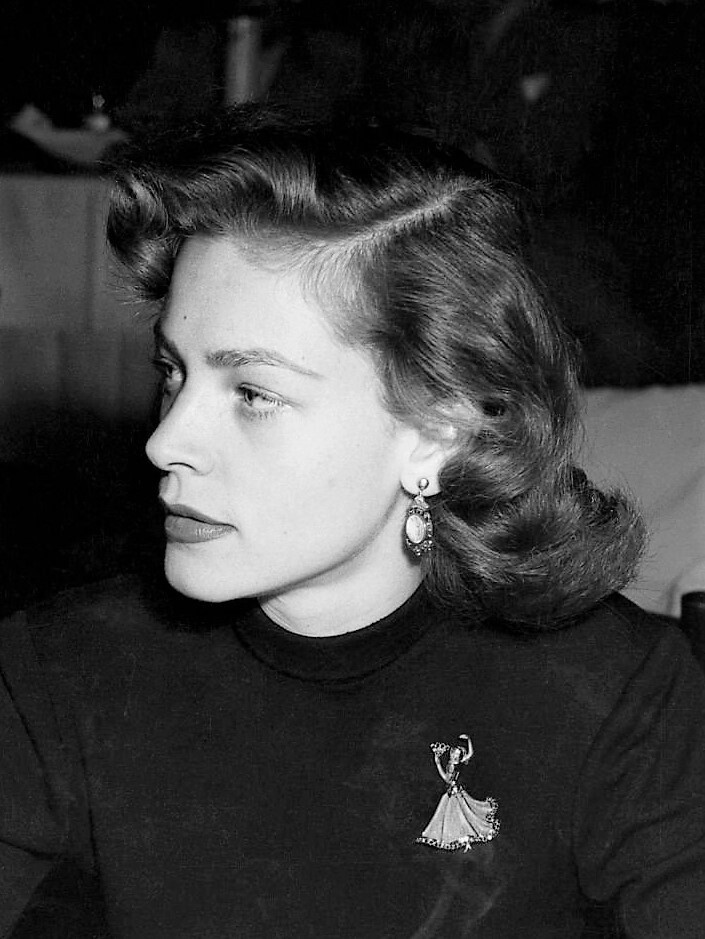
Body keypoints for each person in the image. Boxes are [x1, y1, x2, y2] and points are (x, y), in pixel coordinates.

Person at [1, 107, 704, 939]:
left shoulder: (617, 694)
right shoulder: (57, 676)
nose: (164, 441)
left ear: (436, 429)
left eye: (253, 393)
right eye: (173, 373)